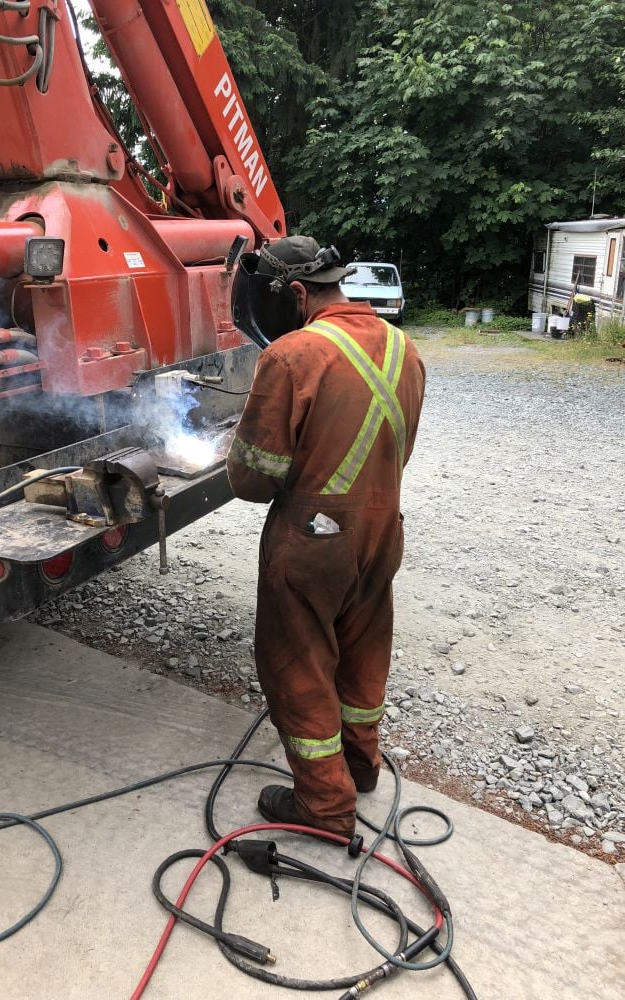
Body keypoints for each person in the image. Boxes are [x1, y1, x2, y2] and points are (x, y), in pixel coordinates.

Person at [227, 236, 426, 836]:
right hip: (382, 528)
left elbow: (253, 478)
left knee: (298, 663)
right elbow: (396, 450)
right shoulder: (404, 349)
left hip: (313, 541)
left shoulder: (292, 356)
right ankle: (362, 768)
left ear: (295, 293)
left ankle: (324, 805)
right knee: (363, 649)